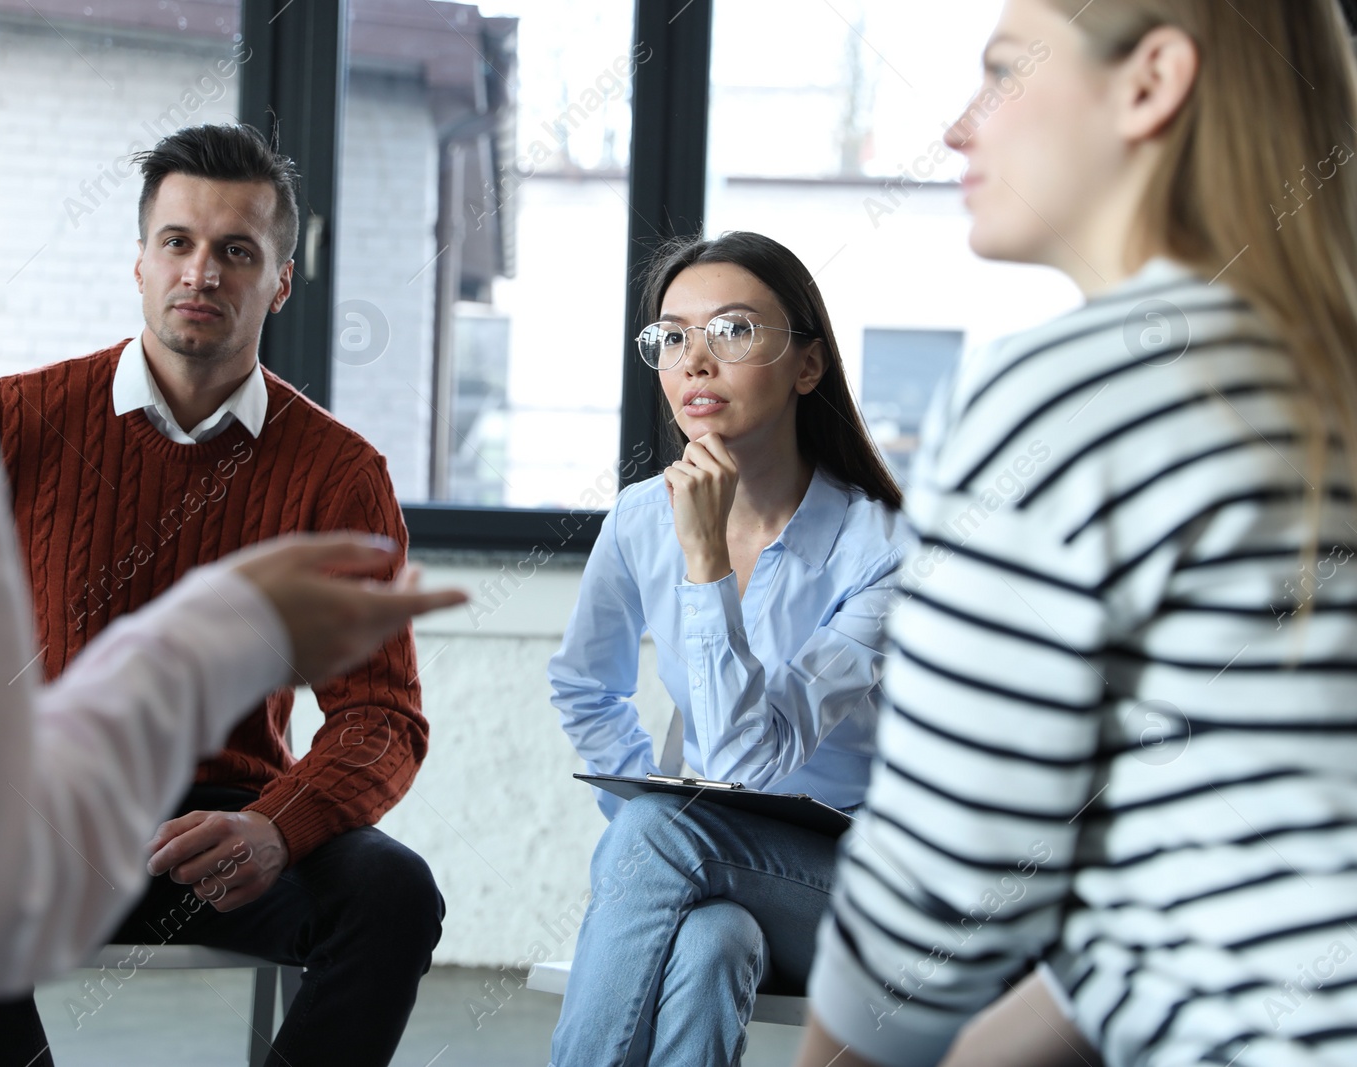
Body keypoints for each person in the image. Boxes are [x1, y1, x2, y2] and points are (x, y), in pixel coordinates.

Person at [0, 163, 464, 1064]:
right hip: (32, 797)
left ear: (282, 279)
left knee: (392, 892)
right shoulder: (12, 418)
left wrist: (278, 826)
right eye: (178, 242)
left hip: (225, 823)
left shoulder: (340, 468)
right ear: (139, 261)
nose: (201, 272)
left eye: (236, 251)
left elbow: (382, 717)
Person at [796, 2, 1357, 1066]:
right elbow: (1209, 870)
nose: (960, 128)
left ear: (1148, 83)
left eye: (1003, 73)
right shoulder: (1317, 375)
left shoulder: (1074, 392)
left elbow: (942, 887)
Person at [544, 231, 911, 1066]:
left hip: (869, 898)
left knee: (656, 833)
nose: (695, 360)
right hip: (714, 868)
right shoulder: (640, 516)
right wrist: (652, 836)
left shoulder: (882, 548)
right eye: (673, 337)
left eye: (734, 331)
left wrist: (706, 561)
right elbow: (582, 684)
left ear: (807, 366)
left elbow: (754, 760)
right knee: (710, 941)